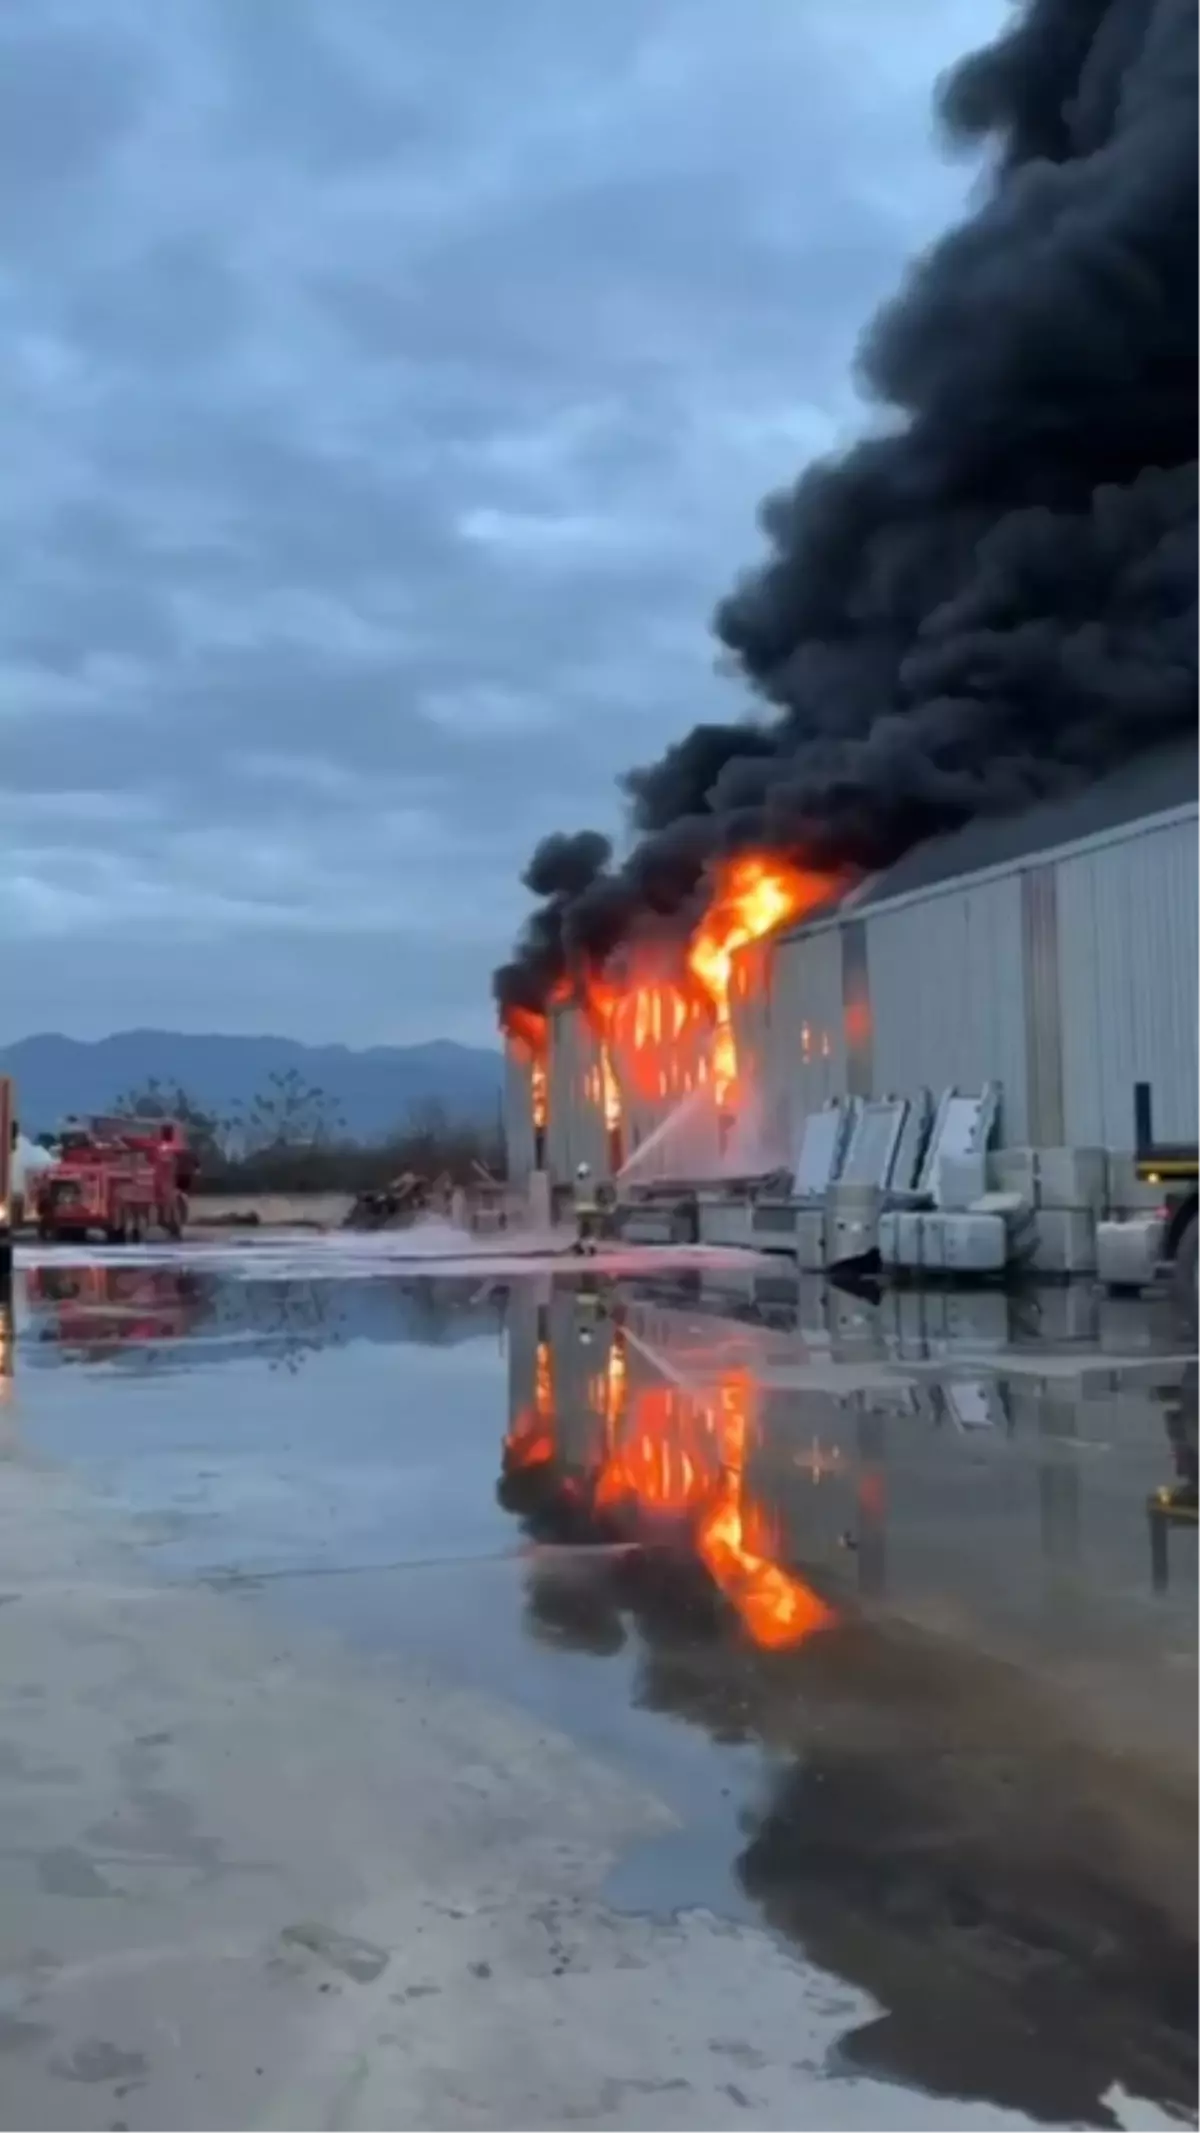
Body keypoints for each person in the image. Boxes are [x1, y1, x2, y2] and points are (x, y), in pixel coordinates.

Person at [572, 1161, 600, 1256]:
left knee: (582, 1229)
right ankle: (591, 1246)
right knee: (592, 1229)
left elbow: (575, 1196)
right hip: (592, 1209)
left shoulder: (576, 1184)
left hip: (580, 1210)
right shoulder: (594, 1183)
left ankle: (579, 1245)